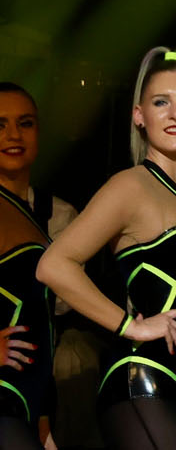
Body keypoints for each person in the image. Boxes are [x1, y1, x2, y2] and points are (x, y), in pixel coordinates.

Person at [37, 48, 176, 450]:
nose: (175, 113)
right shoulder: (130, 186)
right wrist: (131, 326)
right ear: (139, 116)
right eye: (161, 102)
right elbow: (54, 265)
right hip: (144, 381)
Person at [0, 81, 56, 450]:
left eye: (25, 123)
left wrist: (43, 417)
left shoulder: (31, 215)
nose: (13, 135)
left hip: (26, 404)